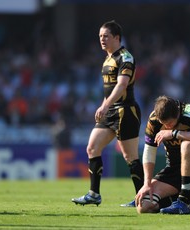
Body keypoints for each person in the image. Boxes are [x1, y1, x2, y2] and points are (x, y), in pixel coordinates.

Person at [71, 20, 143, 206]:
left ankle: (144, 198)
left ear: (116, 38)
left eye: (106, 36)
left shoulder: (125, 58)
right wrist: (104, 106)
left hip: (125, 111)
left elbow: (122, 85)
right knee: (92, 148)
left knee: (130, 157)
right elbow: (110, 89)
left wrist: (104, 106)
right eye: (100, 36)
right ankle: (94, 194)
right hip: (110, 111)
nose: (102, 40)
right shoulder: (108, 58)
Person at [135, 95, 190, 214]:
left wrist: (174, 133)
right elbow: (149, 150)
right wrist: (147, 184)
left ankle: (184, 201)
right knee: (144, 206)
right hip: (174, 169)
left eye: (170, 123)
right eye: (164, 123)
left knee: (186, 145)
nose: (167, 126)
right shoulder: (154, 119)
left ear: (177, 114)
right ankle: (186, 195)